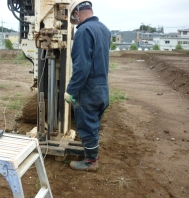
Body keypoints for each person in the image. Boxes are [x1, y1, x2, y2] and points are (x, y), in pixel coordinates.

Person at [64, 0, 110, 171]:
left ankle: (91, 162)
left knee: (86, 126)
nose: (74, 20)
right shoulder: (104, 29)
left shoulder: (83, 31)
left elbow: (82, 67)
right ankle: (91, 155)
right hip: (102, 87)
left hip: (88, 89)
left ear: (76, 12)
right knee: (94, 124)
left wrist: (70, 90)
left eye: (73, 16)